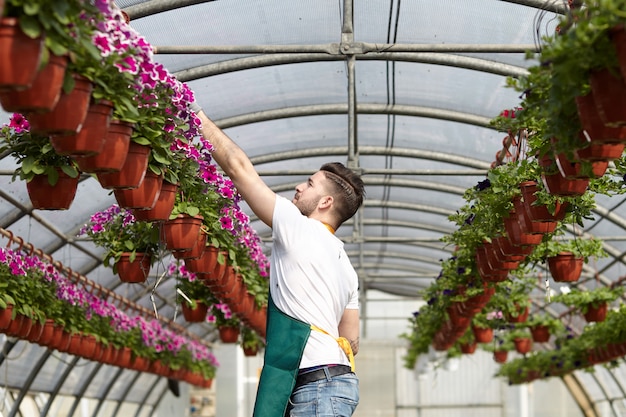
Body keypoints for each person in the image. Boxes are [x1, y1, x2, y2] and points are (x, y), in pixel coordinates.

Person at [192, 103, 365, 417]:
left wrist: (194, 114)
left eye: (310, 183)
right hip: (335, 382)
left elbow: (237, 166)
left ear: (326, 202)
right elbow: (351, 340)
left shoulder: (298, 227)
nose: (299, 186)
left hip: (318, 387)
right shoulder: (346, 266)